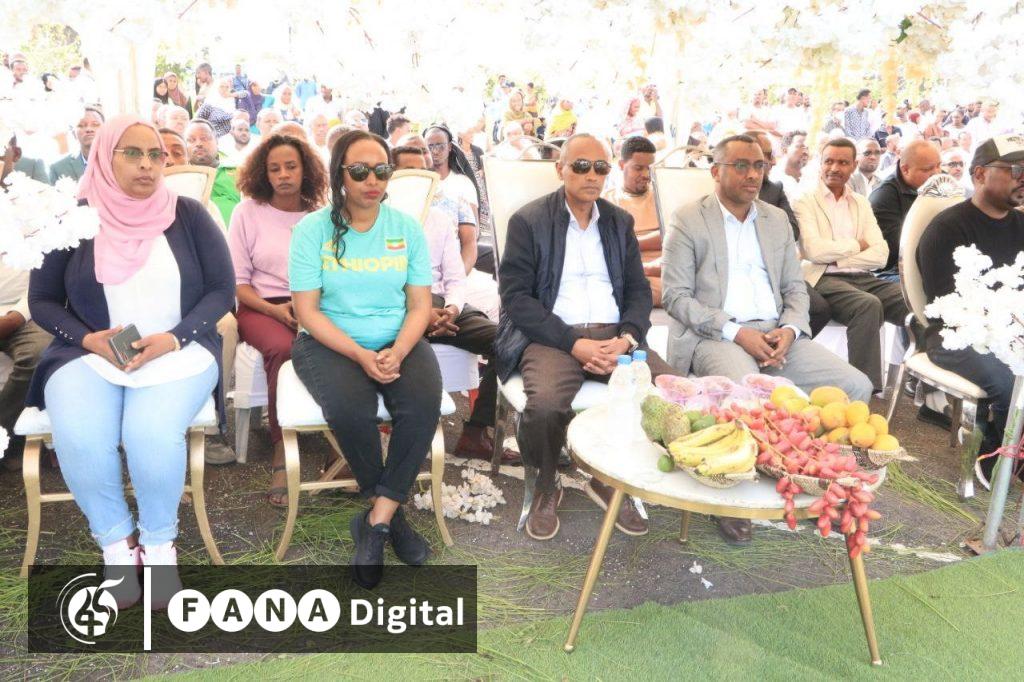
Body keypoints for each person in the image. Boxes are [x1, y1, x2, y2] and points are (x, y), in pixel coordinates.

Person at [25, 115, 234, 605]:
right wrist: (88, 338)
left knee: (149, 434)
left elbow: (222, 290)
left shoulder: (187, 214)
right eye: (133, 153)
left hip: (177, 351)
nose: (147, 165)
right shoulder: (73, 219)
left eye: (155, 154)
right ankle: (118, 548)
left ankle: (159, 547)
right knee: (81, 436)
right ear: (105, 156)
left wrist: (175, 337)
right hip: (89, 352)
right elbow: (42, 300)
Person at [662, 134, 871, 543]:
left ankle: (819, 482)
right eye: (741, 165)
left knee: (855, 386)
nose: (752, 174)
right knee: (748, 401)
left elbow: (796, 289)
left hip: (777, 333)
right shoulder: (689, 219)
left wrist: (790, 330)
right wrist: (737, 332)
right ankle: (731, 499)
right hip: (717, 336)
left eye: (759, 165)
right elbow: (675, 297)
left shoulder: (776, 220)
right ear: (716, 171)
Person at [496, 133, 679, 541]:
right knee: (545, 407)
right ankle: (547, 484)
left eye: (601, 167)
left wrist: (628, 337)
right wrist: (573, 343)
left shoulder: (618, 222)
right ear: (559, 169)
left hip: (616, 337)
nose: (592, 175)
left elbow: (637, 290)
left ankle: (610, 477)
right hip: (553, 337)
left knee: (673, 392)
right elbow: (516, 298)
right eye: (581, 166)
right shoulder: (528, 221)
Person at [289, 130, 440, 587]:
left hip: (398, 338)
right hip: (329, 341)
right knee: (350, 410)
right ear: (340, 174)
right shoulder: (312, 230)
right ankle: (392, 518)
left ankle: (376, 521)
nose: (371, 180)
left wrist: (399, 350)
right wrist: (358, 353)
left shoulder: (406, 229)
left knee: (422, 405)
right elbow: (307, 312)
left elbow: (420, 306)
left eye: (381, 171)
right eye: (359, 171)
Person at [918, 135, 1024, 487]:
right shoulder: (948, 228)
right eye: (1016, 170)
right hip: (955, 335)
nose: (1023, 179)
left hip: (1012, 329)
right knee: (1010, 381)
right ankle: (996, 451)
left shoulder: (1022, 225)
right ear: (979, 174)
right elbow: (948, 305)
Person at [229, 133, 327, 505]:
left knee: (344, 345)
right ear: (263, 173)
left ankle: (340, 444)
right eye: (274, 169)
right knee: (286, 349)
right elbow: (238, 283)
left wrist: (308, 309)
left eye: (291, 167)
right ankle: (282, 447)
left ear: (306, 170)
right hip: (261, 306)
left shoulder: (322, 215)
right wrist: (275, 311)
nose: (283, 175)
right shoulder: (247, 213)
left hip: (315, 302)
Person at [391, 145, 505, 459]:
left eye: (424, 173)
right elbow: (382, 286)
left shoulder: (440, 219)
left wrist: (451, 309)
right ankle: (397, 435)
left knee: (507, 341)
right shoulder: (379, 221)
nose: (419, 181)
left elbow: (455, 278)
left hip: (444, 305)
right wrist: (421, 313)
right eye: (408, 173)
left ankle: (476, 432)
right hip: (397, 309)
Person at [794, 138, 907, 393]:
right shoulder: (804, 200)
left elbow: (881, 254)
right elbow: (814, 251)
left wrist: (838, 256)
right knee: (867, 305)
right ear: (820, 163)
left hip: (863, 277)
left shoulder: (860, 202)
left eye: (843, 162)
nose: (835, 168)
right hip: (823, 278)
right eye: (829, 161)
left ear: (853, 165)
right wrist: (858, 244)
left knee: (915, 302)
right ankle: (864, 392)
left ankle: (931, 384)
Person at [0, 139, 53, 470]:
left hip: (25, 311)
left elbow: (47, 272)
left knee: (40, 355)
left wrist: (17, 315)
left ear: (15, 155)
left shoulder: (40, 200)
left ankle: (5, 437)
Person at [748, 130, 831, 338]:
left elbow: (792, 230)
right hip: (741, 271)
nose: (773, 161)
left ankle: (780, 347)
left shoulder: (774, 189)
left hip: (777, 269)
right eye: (768, 155)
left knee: (819, 309)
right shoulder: (720, 190)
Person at [869, 138, 941, 280]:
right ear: (905, 169)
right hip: (894, 270)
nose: (936, 173)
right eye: (927, 169)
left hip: (933, 260)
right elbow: (893, 251)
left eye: (938, 165)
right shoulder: (884, 197)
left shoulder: (941, 183)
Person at [602, 136, 663, 304]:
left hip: (663, 269)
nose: (646, 175)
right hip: (628, 270)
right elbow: (609, 245)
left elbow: (671, 237)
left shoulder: (663, 197)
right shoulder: (607, 200)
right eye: (638, 168)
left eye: (649, 168)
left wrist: (630, 242)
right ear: (622, 165)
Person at [423, 125, 486, 273]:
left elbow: (472, 234)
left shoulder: (463, 183)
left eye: (440, 145)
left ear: (450, 147)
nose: (435, 151)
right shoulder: (419, 183)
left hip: (455, 258)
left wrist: (458, 276)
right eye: (430, 146)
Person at [185, 119, 241, 227]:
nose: (198, 144)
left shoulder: (240, 171)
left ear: (217, 141)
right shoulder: (180, 178)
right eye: (191, 140)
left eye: (204, 138)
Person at [49, 107, 104, 184]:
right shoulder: (58, 169)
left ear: (106, 129)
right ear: (73, 133)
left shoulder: (117, 161)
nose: (89, 129)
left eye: (95, 125)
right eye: (81, 125)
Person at [768, 130, 809, 202]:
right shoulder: (773, 179)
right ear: (785, 150)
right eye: (800, 146)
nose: (805, 152)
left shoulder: (812, 177)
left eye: (807, 148)